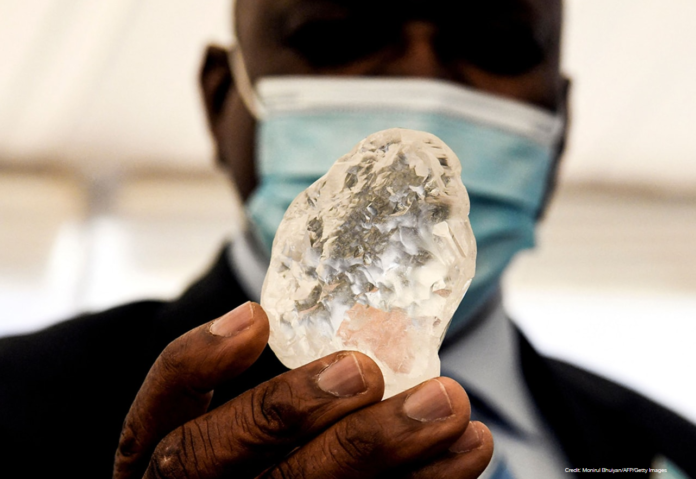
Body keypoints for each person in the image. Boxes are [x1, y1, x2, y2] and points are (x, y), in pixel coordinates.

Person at [1, 0, 695, 478]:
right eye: (335, 35)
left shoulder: (669, 446)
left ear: (562, 122)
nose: (421, 81)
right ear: (221, 103)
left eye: (498, 43)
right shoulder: (16, 411)